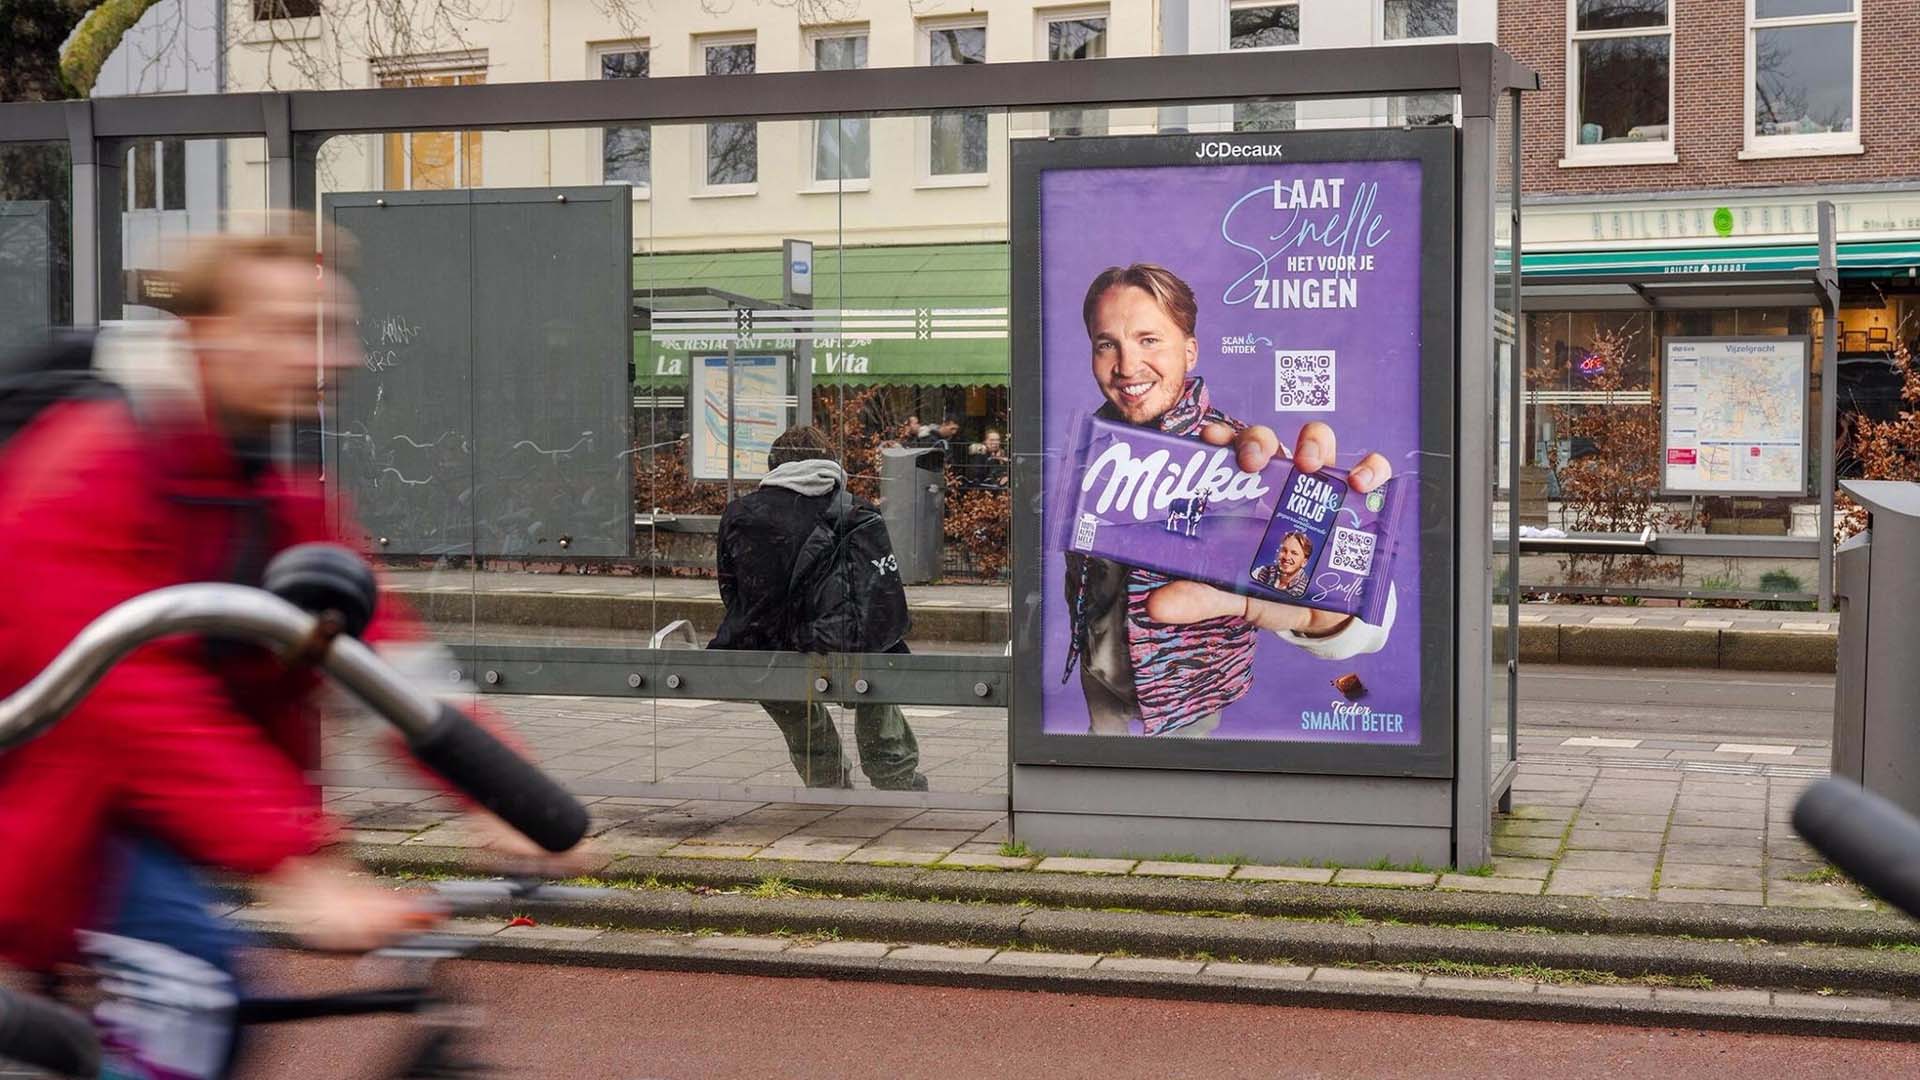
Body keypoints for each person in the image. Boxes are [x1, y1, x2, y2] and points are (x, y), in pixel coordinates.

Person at [0, 225, 575, 1077]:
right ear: (208, 331)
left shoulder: (274, 491)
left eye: (337, 330)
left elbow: (382, 661)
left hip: (145, 820)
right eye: (301, 330)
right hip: (53, 810)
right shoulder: (87, 465)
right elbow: (133, 700)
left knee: (215, 1008)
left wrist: (508, 793)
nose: (338, 356)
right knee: (197, 995)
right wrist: (300, 864)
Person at [1063, 263, 1396, 737]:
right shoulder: (1086, 451)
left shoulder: (1238, 455)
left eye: (1149, 339)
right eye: (1106, 344)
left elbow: (1358, 618)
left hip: (1189, 702)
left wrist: (1340, 614)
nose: (1127, 365)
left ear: (1190, 350)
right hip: (1098, 683)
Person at [710, 426, 927, 790]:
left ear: (774, 465)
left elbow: (730, 590)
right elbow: (881, 602)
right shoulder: (856, 511)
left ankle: (825, 776)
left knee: (787, 694)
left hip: (767, 649)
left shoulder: (740, 513)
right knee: (877, 658)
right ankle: (893, 771)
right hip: (839, 644)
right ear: (829, 462)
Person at [1251, 531, 1313, 598]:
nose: (1287, 557)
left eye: (1294, 553)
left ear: (1304, 562)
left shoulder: (1306, 590)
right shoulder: (1261, 572)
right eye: (1284, 550)